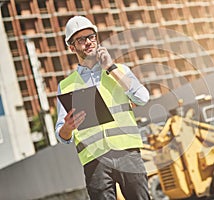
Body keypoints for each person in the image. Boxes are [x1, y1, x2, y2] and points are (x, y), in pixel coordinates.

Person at [55, 16, 151, 200]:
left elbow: (142, 98)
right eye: (81, 39)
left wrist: (110, 67)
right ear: (72, 47)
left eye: (91, 36)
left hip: (127, 153)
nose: (89, 42)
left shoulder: (119, 70)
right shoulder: (66, 86)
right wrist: (68, 127)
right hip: (94, 160)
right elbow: (61, 135)